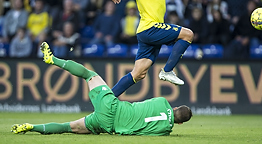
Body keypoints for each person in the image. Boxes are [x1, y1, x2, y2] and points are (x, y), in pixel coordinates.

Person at [11, 42, 192, 136]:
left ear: (175, 107)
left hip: (113, 107)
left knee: (89, 74)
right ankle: (31, 127)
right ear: (180, 124)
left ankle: (53, 60)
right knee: (69, 127)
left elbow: (144, 105)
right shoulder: (165, 131)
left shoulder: (162, 101)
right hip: (108, 126)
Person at [107, 0, 203, 96]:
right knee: (188, 34)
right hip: (149, 28)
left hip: (151, 32)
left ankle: (106, 99)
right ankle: (167, 71)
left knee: (138, 74)